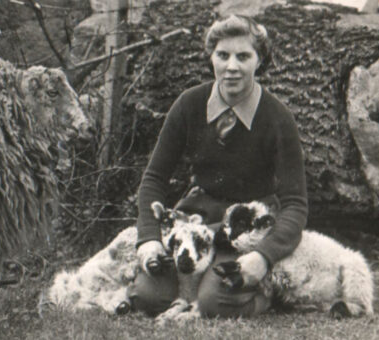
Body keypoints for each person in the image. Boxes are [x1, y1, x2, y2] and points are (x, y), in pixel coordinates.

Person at [126, 14, 308, 318]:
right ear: (211, 56)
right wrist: (149, 238)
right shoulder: (189, 104)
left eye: (243, 56)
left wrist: (263, 256)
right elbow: (154, 179)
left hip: (245, 230)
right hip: (197, 223)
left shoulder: (278, 117)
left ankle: (267, 292)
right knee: (148, 296)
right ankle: (193, 287)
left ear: (259, 60)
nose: (232, 67)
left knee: (214, 302)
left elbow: (296, 203)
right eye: (222, 55)